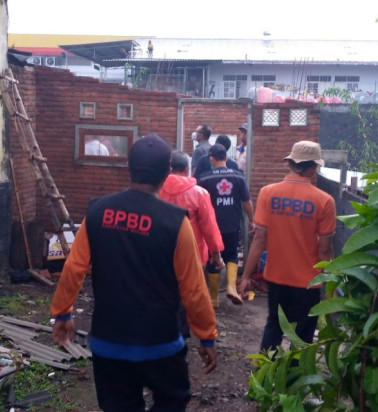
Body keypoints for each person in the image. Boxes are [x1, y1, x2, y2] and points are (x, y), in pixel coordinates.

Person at [51, 134, 218, 412]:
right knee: (172, 401)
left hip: (109, 343)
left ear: (129, 167)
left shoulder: (97, 211)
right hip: (161, 344)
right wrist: (207, 336)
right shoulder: (176, 222)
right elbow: (193, 289)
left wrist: (63, 312)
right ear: (166, 173)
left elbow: (74, 268)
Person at [239, 140, 336, 351]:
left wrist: (246, 276)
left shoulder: (268, 193)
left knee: (274, 325)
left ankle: (264, 377)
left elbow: (260, 239)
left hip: (276, 278)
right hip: (309, 282)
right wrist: (331, 285)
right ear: (313, 167)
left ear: (290, 163)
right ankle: (294, 380)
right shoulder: (324, 201)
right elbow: (325, 249)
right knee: (302, 336)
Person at [160, 150, 225, 337]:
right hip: (192, 255)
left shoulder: (156, 190)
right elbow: (210, 228)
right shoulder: (199, 194)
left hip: (160, 252)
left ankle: (163, 329)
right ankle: (181, 334)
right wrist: (216, 255)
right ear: (188, 169)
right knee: (188, 294)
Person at [198, 144, 254, 306]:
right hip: (232, 225)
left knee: (212, 258)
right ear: (227, 158)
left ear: (211, 159)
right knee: (232, 255)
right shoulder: (238, 176)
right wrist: (251, 220)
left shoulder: (205, 178)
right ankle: (231, 287)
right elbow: (247, 202)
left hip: (212, 228)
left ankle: (213, 298)